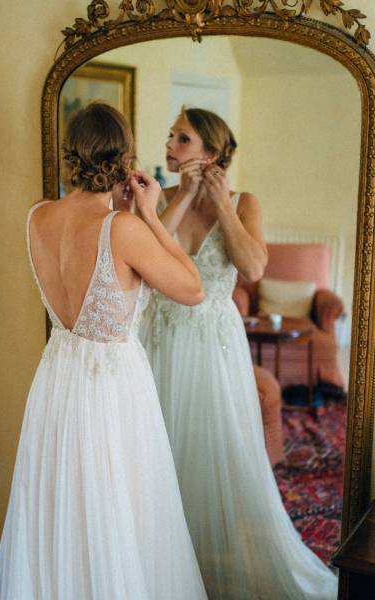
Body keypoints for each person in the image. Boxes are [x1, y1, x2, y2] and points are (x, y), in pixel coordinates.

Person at [0, 103, 208, 600]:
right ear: (124, 156)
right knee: (118, 510)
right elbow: (193, 288)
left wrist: (129, 216)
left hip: (57, 380)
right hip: (111, 388)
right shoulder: (125, 229)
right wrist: (149, 214)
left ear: (73, 154)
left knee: (62, 507)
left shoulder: (38, 216)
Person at [140, 107, 338, 599]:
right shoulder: (159, 199)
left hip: (212, 345)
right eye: (170, 136)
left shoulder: (245, 202)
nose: (169, 143)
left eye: (181, 138)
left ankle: (211, 565)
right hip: (159, 340)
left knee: (215, 447)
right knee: (156, 450)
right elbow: (144, 261)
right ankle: (164, 571)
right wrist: (184, 197)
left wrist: (221, 204)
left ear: (210, 152)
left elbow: (250, 268)